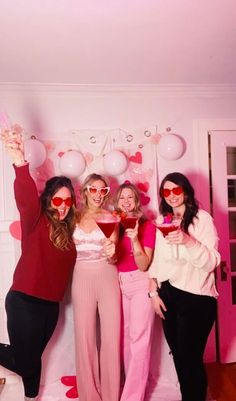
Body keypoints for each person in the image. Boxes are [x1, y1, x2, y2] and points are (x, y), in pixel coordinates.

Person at [0, 128, 77, 401]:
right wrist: (20, 163)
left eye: (68, 201)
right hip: (24, 301)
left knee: (32, 359)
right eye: (58, 199)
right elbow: (24, 198)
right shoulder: (35, 219)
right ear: (48, 200)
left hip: (50, 308)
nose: (63, 205)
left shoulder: (70, 233)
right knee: (24, 361)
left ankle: (30, 398)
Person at [149, 172, 221, 401]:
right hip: (168, 294)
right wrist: (153, 292)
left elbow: (211, 262)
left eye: (176, 190)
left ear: (186, 190)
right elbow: (157, 261)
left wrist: (188, 241)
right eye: (166, 191)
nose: (171, 196)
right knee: (179, 357)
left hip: (197, 297)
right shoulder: (164, 221)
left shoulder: (202, 219)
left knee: (190, 359)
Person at [71, 173, 121, 401]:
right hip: (81, 277)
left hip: (108, 276)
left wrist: (113, 253)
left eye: (104, 190)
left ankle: (111, 395)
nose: (99, 194)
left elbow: (114, 255)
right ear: (85, 191)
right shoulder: (73, 216)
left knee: (111, 337)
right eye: (94, 189)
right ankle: (89, 395)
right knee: (85, 338)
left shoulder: (112, 218)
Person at [113, 182, 156, 401]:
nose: (126, 202)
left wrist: (135, 239)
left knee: (139, 340)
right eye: (122, 198)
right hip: (119, 285)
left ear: (137, 201)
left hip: (140, 283)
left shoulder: (147, 226)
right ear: (117, 202)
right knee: (126, 340)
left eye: (130, 197)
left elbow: (144, 264)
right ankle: (131, 387)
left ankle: (132, 397)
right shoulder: (114, 226)